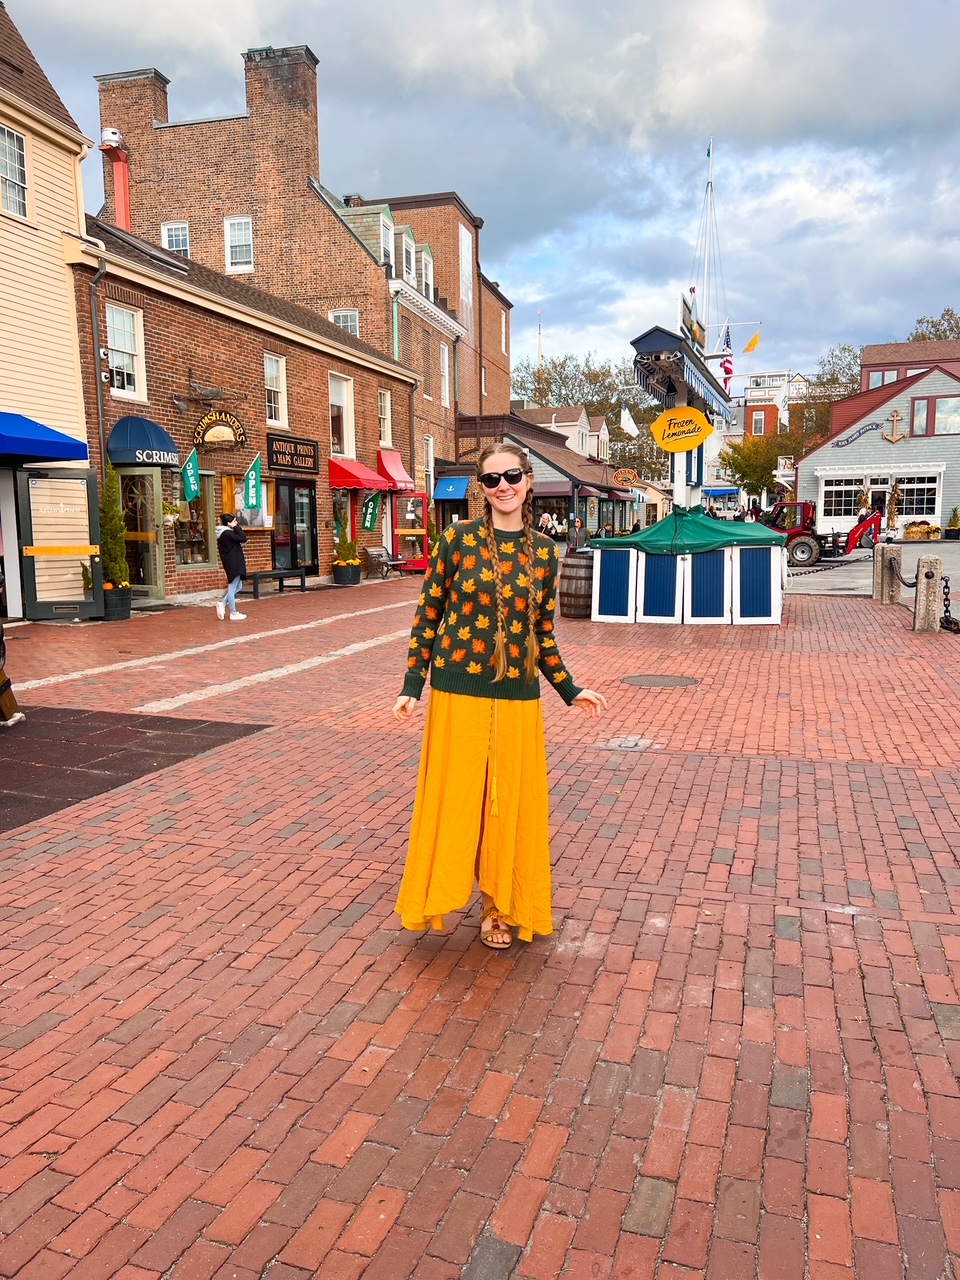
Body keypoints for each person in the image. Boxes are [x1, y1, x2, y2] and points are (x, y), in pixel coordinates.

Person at [392, 442, 607, 950]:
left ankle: (499, 909)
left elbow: (542, 633)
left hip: (517, 697)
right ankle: (438, 892)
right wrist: (411, 685)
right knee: (457, 800)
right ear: (481, 490)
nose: (503, 486)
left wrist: (570, 689)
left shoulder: (544, 554)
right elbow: (428, 614)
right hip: (456, 690)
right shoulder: (457, 540)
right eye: (491, 479)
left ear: (529, 481)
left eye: (511, 476)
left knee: (509, 805)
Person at [215, 514, 248, 621]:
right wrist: (236, 528)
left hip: (234, 561)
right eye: (234, 521)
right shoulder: (227, 533)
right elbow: (243, 538)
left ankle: (223, 603)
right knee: (232, 587)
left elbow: (237, 541)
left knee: (238, 587)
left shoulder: (225, 534)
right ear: (229, 523)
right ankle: (233, 613)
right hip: (233, 563)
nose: (236, 523)